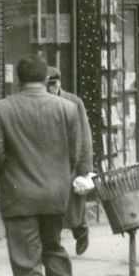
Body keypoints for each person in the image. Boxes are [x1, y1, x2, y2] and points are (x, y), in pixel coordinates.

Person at [0, 55, 91, 276]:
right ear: (45, 78)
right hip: (55, 194)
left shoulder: (0, 109)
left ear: (19, 79)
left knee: (26, 259)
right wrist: (61, 179)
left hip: (19, 196)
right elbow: (74, 152)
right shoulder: (67, 108)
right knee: (52, 246)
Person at [47, 66, 93, 256]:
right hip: (49, 162)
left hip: (70, 162)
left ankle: (81, 229)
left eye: (53, 84)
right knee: (52, 206)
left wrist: (85, 168)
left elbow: (85, 135)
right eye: (47, 85)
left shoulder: (74, 102)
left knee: (73, 205)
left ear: (59, 82)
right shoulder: (41, 103)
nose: (51, 88)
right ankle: (53, 245)